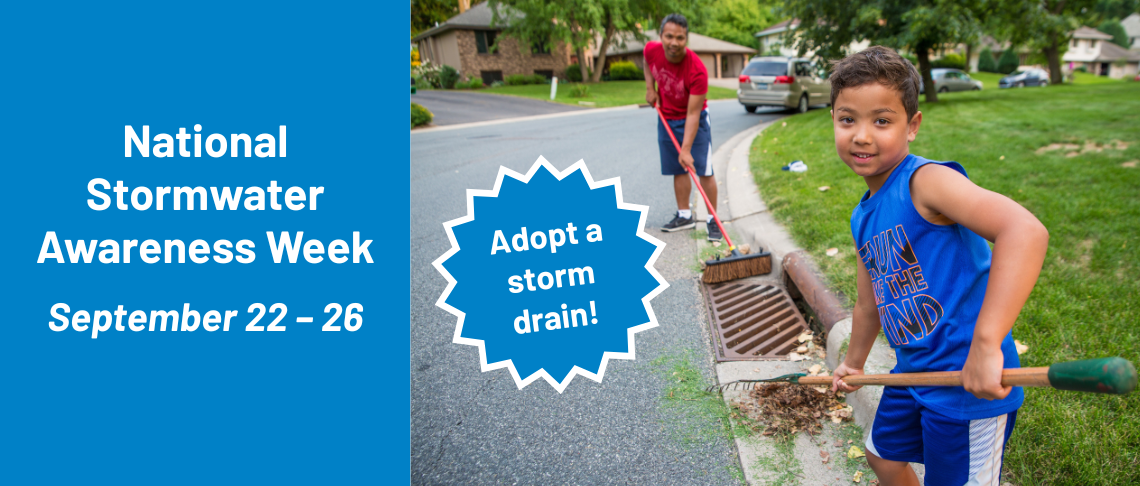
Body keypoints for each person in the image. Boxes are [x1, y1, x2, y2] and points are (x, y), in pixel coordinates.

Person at [827, 46, 1049, 486]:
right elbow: (870, 303)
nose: (862, 136)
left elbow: (1024, 231)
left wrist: (987, 344)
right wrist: (853, 363)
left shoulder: (925, 182)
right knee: (882, 457)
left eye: (882, 121)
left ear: (912, 126)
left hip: (967, 383)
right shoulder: (863, 215)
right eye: (847, 119)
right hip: (912, 373)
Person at [643, 13, 720, 241]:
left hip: (692, 119)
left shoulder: (697, 70)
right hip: (666, 117)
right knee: (677, 168)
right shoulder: (651, 50)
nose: (674, 43)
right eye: (669, 36)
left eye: (680, 37)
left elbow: (693, 113)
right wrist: (650, 87)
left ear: (686, 39)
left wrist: (686, 149)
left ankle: (712, 219)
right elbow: (646, 62)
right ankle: (684, 215)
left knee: (704, 170)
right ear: (661, 36)